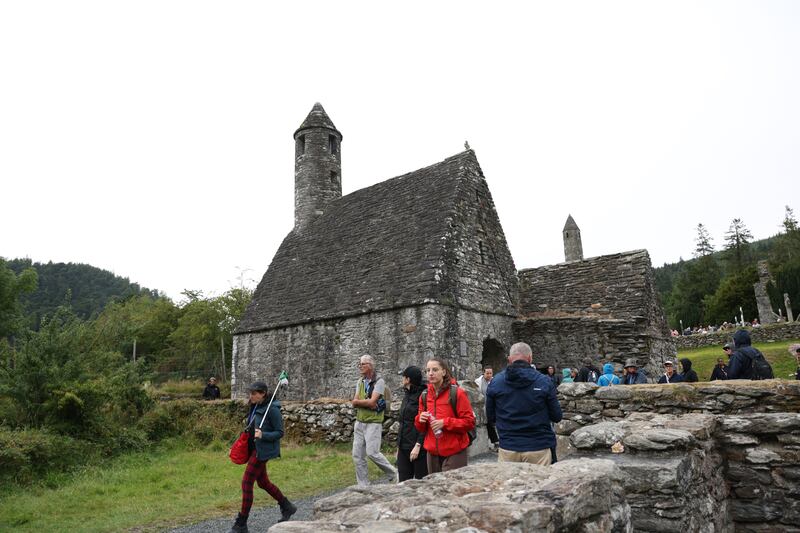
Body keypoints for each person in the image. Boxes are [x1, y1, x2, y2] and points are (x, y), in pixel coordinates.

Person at [229, 381, 295, 532]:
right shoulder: (255, 406)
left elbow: (280, 433)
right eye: (250, 393)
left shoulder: (272, 409)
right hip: (253, 448)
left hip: (263, 451)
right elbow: (250, 428)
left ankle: (241, 523)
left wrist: (263, 434)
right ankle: (287, 506)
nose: (250, 396)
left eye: (254, 393)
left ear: (263, 393)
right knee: (263, 482)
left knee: (247, 483)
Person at [485, 342, 562, 465]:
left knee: (509, 484)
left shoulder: (496, 383)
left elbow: (491, 417)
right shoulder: (544, 381)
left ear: (509, 359)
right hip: (538, 446)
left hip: (509, 446)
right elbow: (557, 416)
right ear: (530, 358)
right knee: (542, 483)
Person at [414, 358, 475, 474]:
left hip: (454, 451)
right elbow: (421, 428)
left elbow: (469, 422)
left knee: (452, 489)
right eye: (428, 370)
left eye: (435, 370)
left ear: (444, 372)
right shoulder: (424, 396)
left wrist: (445, 423)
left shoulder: (457, 393)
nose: (430, 373)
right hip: (432, 452)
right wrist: (420, 420)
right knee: (436, 489)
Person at [351, 355, 397, 486]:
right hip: (359, 421)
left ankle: (394, 473)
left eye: (363, 364)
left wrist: (362, 402)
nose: (360, 366)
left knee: (372, 453)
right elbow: (354, 402)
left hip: (373, 422)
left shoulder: (379, 382)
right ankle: (363, 485)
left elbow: (372, 402)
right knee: (357, 456)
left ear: (370, 365)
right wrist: (364, 403)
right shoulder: (360, 382)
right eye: (359, 364)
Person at [396, 366, 428, 482]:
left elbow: (425, 423)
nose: (402, 379)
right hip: (404, 447)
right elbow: (403, 422)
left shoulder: (423, 396)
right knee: (403, 483)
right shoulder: (407, 394)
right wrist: (399, 446)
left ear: (408, 379)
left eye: (403, 377)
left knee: (422, 483)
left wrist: (418, 445)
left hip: (418, 448)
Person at [474, 367, 499, 451]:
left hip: (493, 406)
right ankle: (495, 442)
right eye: (487, 373)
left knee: (492, 423)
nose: (489, 375)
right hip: (483, 407)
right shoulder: (478, 382)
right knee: (489, 424)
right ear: (483, 373)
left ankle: (495, 442)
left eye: (490, 373)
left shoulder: (494, 381)